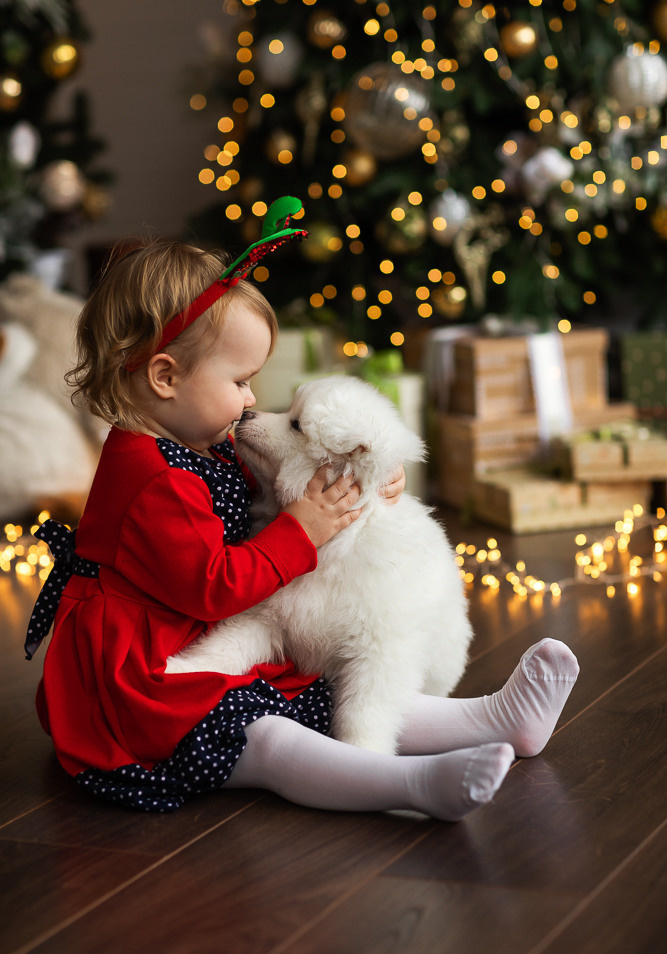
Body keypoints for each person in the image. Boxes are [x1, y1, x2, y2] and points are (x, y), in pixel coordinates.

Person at [26, 199, 580, 820]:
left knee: (321, 693)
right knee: (267, 737)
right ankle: (403, 785)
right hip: (145, 676)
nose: (251, 398)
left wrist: (374, 472)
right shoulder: (151, 477)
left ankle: (495, 719)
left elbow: (282, 469)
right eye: (239, 380)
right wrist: (300, 532)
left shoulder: (193, 438)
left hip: (197, 640)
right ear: (164, 377)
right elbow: (214, 587)